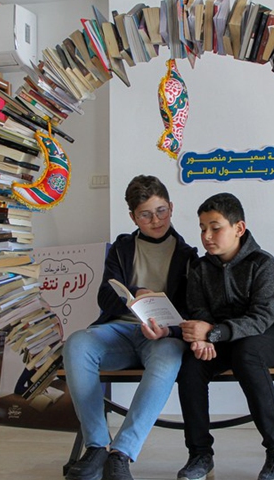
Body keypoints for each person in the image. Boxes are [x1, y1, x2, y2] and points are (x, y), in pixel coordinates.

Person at [62, 175, 198, 480]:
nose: (156, 220)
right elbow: (105, 296)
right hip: (120, 332)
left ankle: (121, 452)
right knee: (76, 343)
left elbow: (192, 309)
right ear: (133, 217)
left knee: (168, 356)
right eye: (145, 215)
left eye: (161, 210)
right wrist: (134, 295)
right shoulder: (122, 247)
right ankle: (97, 446)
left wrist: (168, 330)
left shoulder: (188, 256)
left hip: (162, 337)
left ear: (171, 207)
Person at [176, 192, 274, 480]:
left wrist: (214, 333)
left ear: (238, 229)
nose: (207, 235)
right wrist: (203, 338)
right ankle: (199, 454)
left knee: (247, 354)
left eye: (215, 227)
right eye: (203, 228)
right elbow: (198, 309)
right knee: (190, 366)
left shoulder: (264, 264)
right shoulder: (201, 269)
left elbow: (261, 318)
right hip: (220, 339)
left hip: (269, 336)